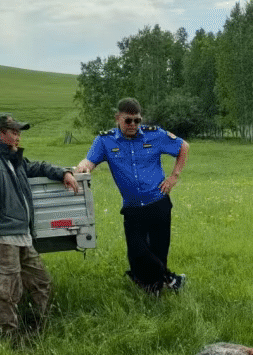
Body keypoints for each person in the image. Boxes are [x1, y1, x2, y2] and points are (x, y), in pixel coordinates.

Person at [0, 113, 79, 337]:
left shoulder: (12, 158)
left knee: (41, 283)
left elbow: (37, 166)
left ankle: (34, 330)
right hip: (3, 236)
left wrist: (63, 173)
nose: (18, 137)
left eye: (18, 133)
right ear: (0, 134)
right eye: (14, 132)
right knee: (7, 291)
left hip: (21, 234)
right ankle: (8, 340)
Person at [75, 98, 188, 295]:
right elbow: (90, 160)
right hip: (133, 208)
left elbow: (183, 147)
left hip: (158, 202)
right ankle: (169, 278)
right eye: (128, 121)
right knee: (137, 252)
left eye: (137, 120)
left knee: (159, 251)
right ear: (117, 118)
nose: (133, 125)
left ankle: (154, 291)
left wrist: (173, 177)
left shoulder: (155, 135)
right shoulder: (105, 140)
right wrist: (83, 166)